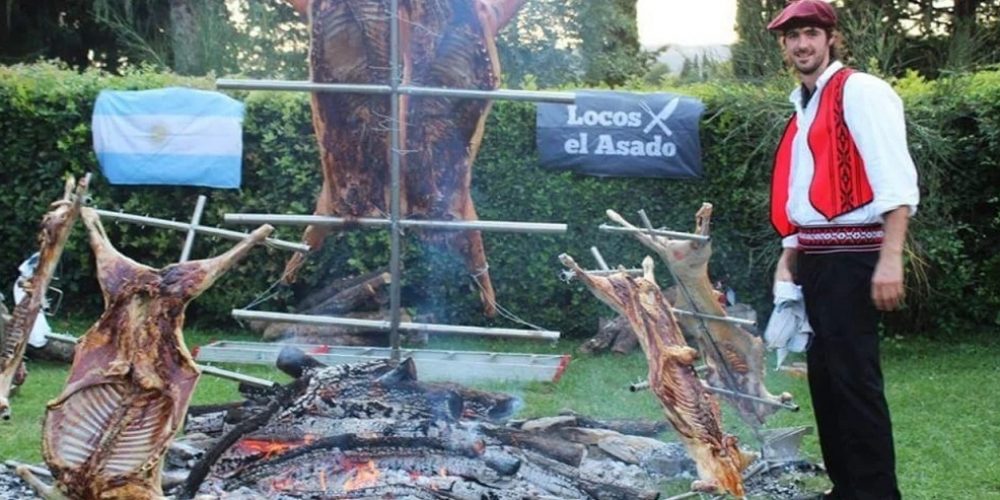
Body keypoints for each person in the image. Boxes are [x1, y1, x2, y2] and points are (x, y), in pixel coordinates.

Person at [766, 1, 919, 499]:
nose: (801, 44)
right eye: (792, 37)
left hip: (853, 257)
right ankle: (846, 488)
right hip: (816, 258)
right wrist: (790, 255)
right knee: (826, 383)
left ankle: (876, 494)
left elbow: (895, 179)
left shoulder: (861, 90)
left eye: (810, 33)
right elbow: (800, 188)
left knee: (855, 385)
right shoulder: (805, 102)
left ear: (831, 37)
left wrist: (890, 258)